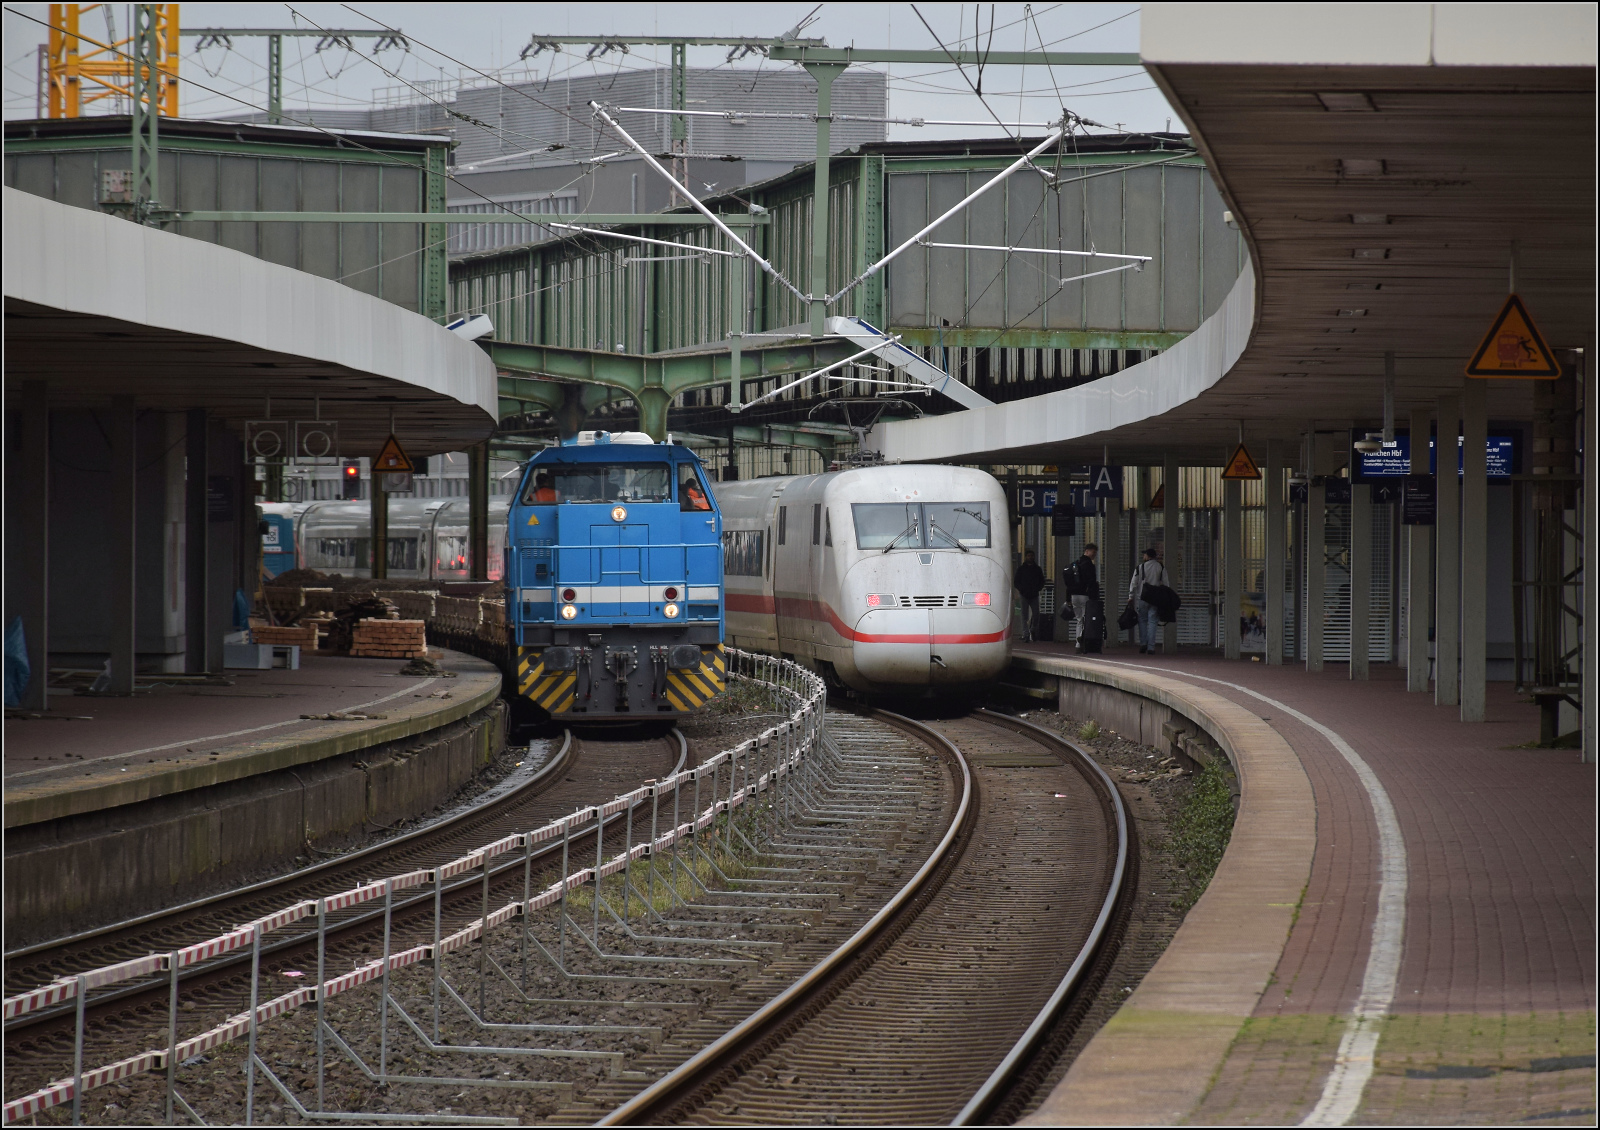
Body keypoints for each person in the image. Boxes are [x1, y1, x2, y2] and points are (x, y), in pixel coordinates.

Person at [1129, 546, 1169, 654]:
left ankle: (1143, 643)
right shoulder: (1160, 567)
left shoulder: (1140, 567)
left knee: (1142, 620)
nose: (1143, 556)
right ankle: (1151, 647)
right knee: (1153, 622)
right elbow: (1166, 583)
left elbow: (1134, 583)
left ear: (1147, 556)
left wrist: (1131, 596)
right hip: (1156, 598)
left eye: (1144, 554)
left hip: (1143, 597)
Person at [1063, 543, 1100, 650]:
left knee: (1079, 620)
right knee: (1086, 619)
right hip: (1085, 596)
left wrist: (1068, 598)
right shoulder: (1089, 565)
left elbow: (1069, 583)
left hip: (1074, 596)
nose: (1094, 555)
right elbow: (1091, 582)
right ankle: (1084, 641)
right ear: (1087, 551)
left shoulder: (1075, 564)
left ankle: (1077, 643)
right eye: (1093, 552)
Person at [1013, 549, 1045, 641]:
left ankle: (1033, 629)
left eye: (1032, 556)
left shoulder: (1037, 569)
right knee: (1024, 615)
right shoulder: (1021, 569)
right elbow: (1016, 581)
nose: (1030, 557)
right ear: (1026, 557)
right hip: (1024, 595)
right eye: (1029, 556)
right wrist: (1021, 589)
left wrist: (1038, 588)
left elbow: (1042, 581)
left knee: (1036, 615)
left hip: (1034, 594)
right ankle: (1026, 633)